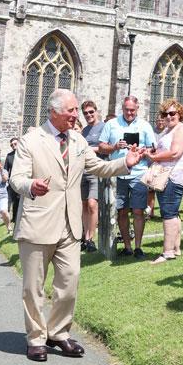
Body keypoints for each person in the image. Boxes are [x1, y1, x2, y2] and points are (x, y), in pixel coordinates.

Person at [10, 88, 141, 361]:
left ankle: (58, 333)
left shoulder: (78, 141)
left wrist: (124, 163)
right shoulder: (31, 140)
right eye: (70, 110)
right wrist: (31, 186)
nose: (75, 115)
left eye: (76, 110)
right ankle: (35, 338)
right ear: (55, 111)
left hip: (70, 225)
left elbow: (98, 168)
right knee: (33, 287)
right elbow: (16, 179)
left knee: (70, 281)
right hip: (38, 223)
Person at [97, 95, 157, 259]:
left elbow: (153, 150)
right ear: (122, 108)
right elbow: (102, 147)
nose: (129, 113)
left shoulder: (145, 126)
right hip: (118, 174)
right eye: (126, 109)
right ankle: (128, 247)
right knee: (122, 211)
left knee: (138, 211)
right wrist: (114, 146)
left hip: (139, 173)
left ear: (137, 109)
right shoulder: (112, 124)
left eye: (132, 110)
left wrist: (143, 151)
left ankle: (138, 247)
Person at [143, 100, 183, 263]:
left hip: (174, 175)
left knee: (168, 213)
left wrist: (154, 157)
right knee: (172, 212)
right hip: (166, 174)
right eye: (165, 114)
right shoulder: (167, 130)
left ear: (180, 114)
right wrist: (149, 151)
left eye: (172, 113)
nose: (169, 116)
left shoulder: (181, 129)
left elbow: (174, 153)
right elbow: (164, 150)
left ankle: (167, 252)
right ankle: (176, 249)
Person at [78, 100, 108, 252]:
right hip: (83, 171)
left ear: (96, 111)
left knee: (92, 204)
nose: (89, 115)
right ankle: (85, 237)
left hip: (96, 170)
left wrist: (89, 149)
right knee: (83, 205)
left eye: (91, 112)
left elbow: (105, 148)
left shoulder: (103, 127)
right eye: (85, 113)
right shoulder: (84, 131)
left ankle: (91, 239)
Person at [5, 138, 21, 224]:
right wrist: (6, 180)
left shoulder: (24, 154)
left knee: (17, 202)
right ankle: (6, 219)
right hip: (11, 182)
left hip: (21, 181)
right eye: (11, 145)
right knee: (8, 200)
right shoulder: (9, 156)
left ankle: (15, 219)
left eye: (15, 144)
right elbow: (6, 170)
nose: (13, 146)